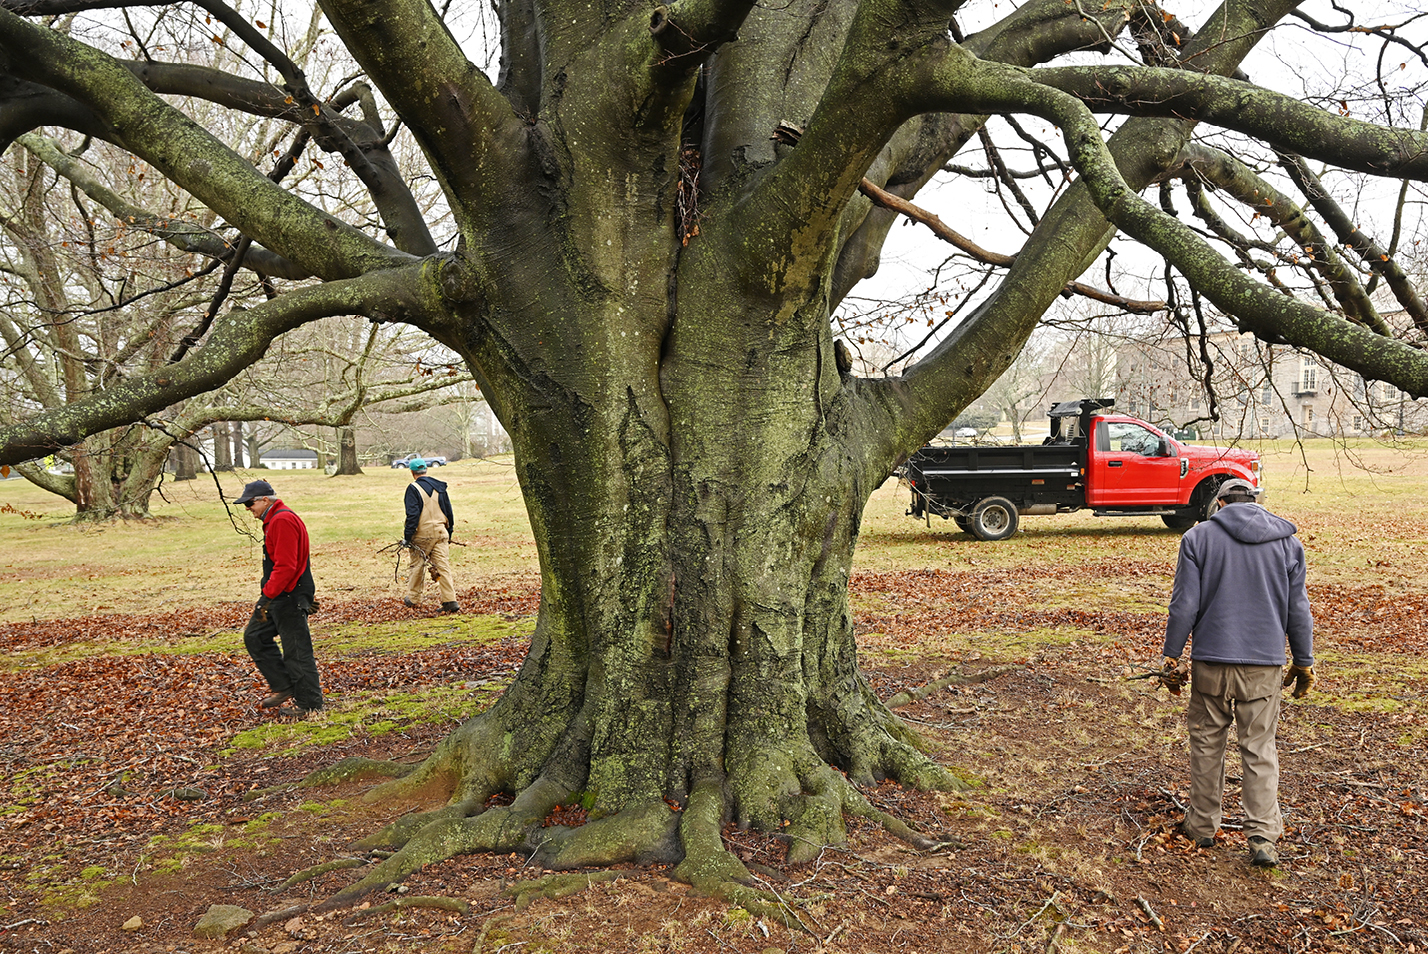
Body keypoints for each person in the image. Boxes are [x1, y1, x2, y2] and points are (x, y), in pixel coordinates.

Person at [1162, 477, 1315, 868]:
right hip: (1264, 665)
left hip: (1211, 661)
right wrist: (1304, 660)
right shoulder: (1287, 543)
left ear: (1221, 502)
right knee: (1259, 748)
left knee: (1207, 743)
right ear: (1256, 500)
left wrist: (1172, 655)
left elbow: (1184, 606)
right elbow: (1298, 609)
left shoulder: (1198, 540)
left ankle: (1201, 825)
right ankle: (1263, 836)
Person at [235, 479, 323, 716]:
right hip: (282, 594)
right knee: (255, 636)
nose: (247, 509)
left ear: (265, 500)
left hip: (287, 595)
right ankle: (283, 686)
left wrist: (267, 598)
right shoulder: (275, 519)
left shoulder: (282, 520)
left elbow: (286, 565)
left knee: (296, 651)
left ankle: (310, 705)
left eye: (250, 503)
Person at [402, 458, 460, 613]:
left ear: (412, 472)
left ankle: (414, 598)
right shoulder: (440, 487)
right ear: (426, 470)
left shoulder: (413, 489)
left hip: (422, 534)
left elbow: (412, 515)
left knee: (417, 565)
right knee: (443, 566)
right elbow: (449, 512)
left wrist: (407, 537)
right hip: (442, 531)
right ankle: (450, 600)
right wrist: (450, 532)